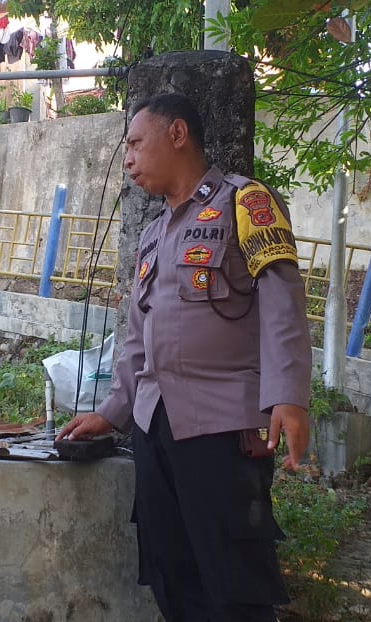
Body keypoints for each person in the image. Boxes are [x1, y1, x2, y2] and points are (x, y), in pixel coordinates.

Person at [58, 92, 313, 620]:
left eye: (135, 143)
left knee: (234, 582)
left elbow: (282, 302)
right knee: (170, 572)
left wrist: (288, 397)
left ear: (177, 134)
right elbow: (137, 338)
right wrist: (112, 412)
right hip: (154, 426)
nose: (128, 159)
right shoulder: (153, 235)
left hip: (223, 425)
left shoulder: (246, 203)